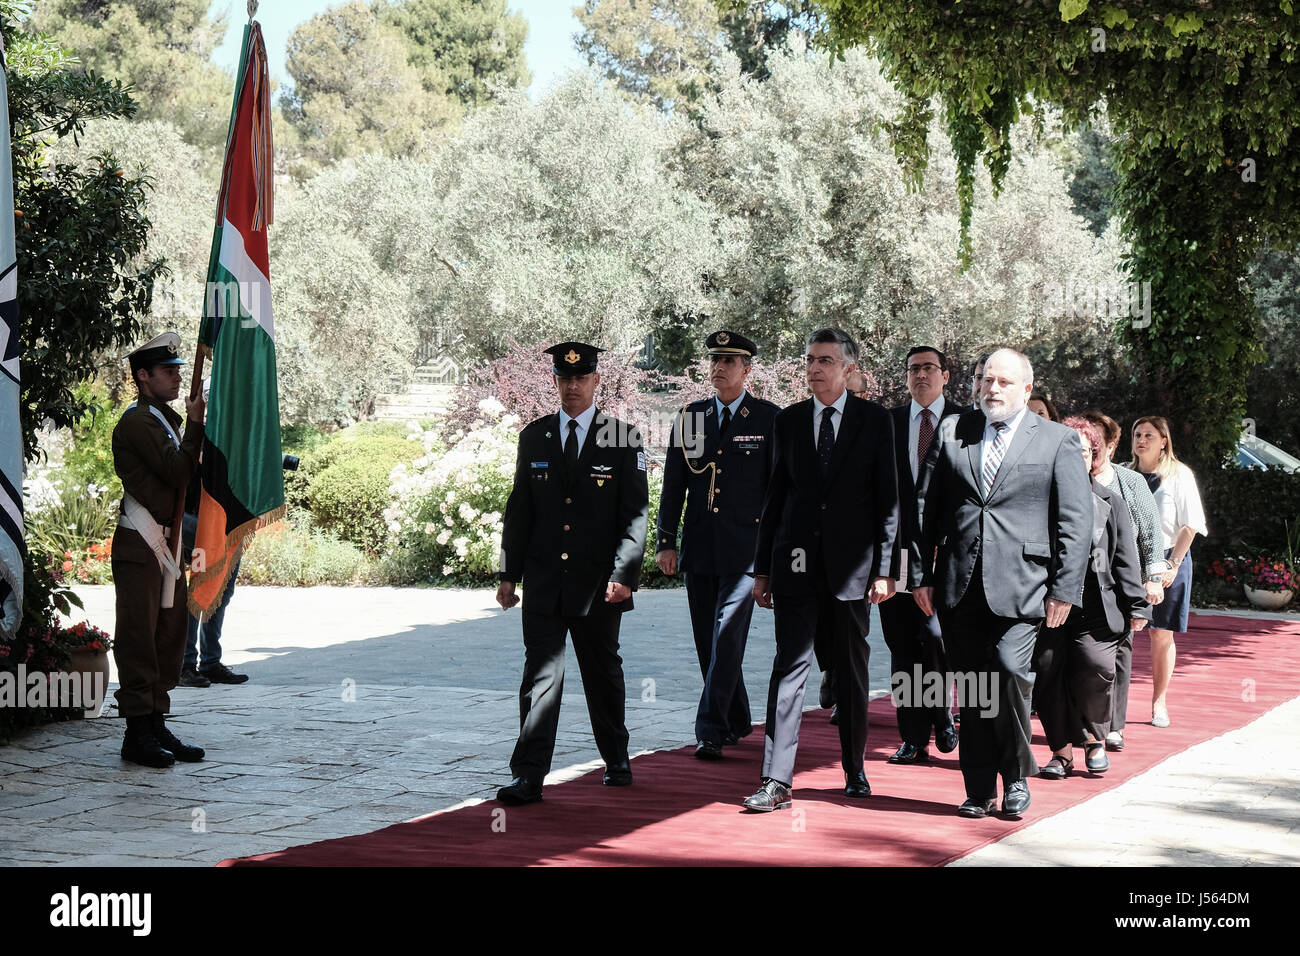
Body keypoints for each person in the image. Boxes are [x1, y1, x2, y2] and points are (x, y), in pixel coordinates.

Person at [912, 347, 1091, 819]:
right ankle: (978, 789)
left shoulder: (1056, 440)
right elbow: (925, 511)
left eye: (1004, 382)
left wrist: (1064, 589)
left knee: (1009, 676)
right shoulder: (954, 432)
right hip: (958, 584)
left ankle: (1014, 777)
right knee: (972, 688)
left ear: (1027, 389)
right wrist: (920, 576)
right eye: (986, 380)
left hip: (1025, 585)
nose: (992, 389)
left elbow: (1075, 520)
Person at [743, 328, 899, 811]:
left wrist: (885, 568)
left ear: (848, 369)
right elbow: (775, 498)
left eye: (826, 361)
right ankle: (776, 778)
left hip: (854, 570)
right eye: (810, 359)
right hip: (795, 566)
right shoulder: (787, 422)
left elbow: (889, 501)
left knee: (851, 672)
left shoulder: (875, 421)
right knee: (789, 668)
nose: (814, 368)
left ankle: (854, 769)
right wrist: (763, 569)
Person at [494, 342, 649, 805]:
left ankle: (617, 758)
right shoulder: (535, 436)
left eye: (581, 379)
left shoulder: (623, 437)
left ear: (597, 380)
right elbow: (519, 509)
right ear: (556, 381)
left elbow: (634, 514)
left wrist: (624, 573)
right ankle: (529, 775)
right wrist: (509, 573)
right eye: (565, 379)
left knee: (602, 672)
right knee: (541, 676)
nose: (573, 387)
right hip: (544, 580)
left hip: (598, 584)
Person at [656, 331, 778, 760]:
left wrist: (773, 554)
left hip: (747, 550)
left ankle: (709, 729)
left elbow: (777, 491)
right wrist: (665, 542)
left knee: (727, 637)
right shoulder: (690, 417)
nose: (719, 367)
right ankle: (738, 718)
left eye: (730, 361)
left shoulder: (768, 419)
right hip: (701, 546)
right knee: (708, 642)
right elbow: (673, 487)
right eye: (715, 360)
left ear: (747, 369)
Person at [1034, 417, 1150, 779]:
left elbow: (1124, 557)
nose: (1074, 457)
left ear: (1093, 457)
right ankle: (1061, 753)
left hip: (1098, 606)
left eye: (1082, 452)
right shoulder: (1039, 499)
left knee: (1095, 668)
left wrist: (1137, 603)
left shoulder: (1110, 500)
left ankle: (1094, 738)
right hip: (1047, 603)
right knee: (1049, 672)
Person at [111, 332, 207, 768]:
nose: (176, 377)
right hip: (142, 540)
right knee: (138, 635)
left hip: (167, 541)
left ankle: (155, 720)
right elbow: (177, 468)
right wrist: (198, 425)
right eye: (167, 371)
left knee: (168, 634)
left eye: (177, 370)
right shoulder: (139, 421)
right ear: (143, 376)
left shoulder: (163, 419)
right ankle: (137, 732)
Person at [879, 346, 961, 764]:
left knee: (936, 639)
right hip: (894, 554)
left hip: (944, 552)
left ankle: (942, 712)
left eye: (929, 368)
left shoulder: (967, 423)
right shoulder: (887, 424)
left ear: (945, 375)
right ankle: (914, 737)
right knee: (902, 646)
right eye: (913, 369)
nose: (921, 375)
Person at [1079, 410, 1167, 752]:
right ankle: (1081, 725)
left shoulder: (1130, 483)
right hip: (1079, 585)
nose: (1094, 447)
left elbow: (1150, 534)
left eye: (1100, 440)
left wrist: (1153, 579)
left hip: (1119, 583)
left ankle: (1114, 725)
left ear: (1112, 445)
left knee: (1118, 654)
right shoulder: (1067, 478)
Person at [1129, 416, 1207, 728]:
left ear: (1164, 441)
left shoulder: (1179, 475)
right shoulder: (1124, 473)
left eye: (1149, 435)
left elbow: (1190, 525)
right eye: (1137, 434)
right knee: (1120, 632)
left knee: (1161, 633)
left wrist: (1172, 565)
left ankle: (1159, 703)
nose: (1141, 440)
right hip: (1129, 559)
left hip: (1168, 556)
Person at [179, 379, 248, 687]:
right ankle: (185, 663)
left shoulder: (235, 435)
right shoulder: (199, 434)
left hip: (229, 522)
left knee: (222, 591)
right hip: (198, 520)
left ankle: (209, 660)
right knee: (201, 589)